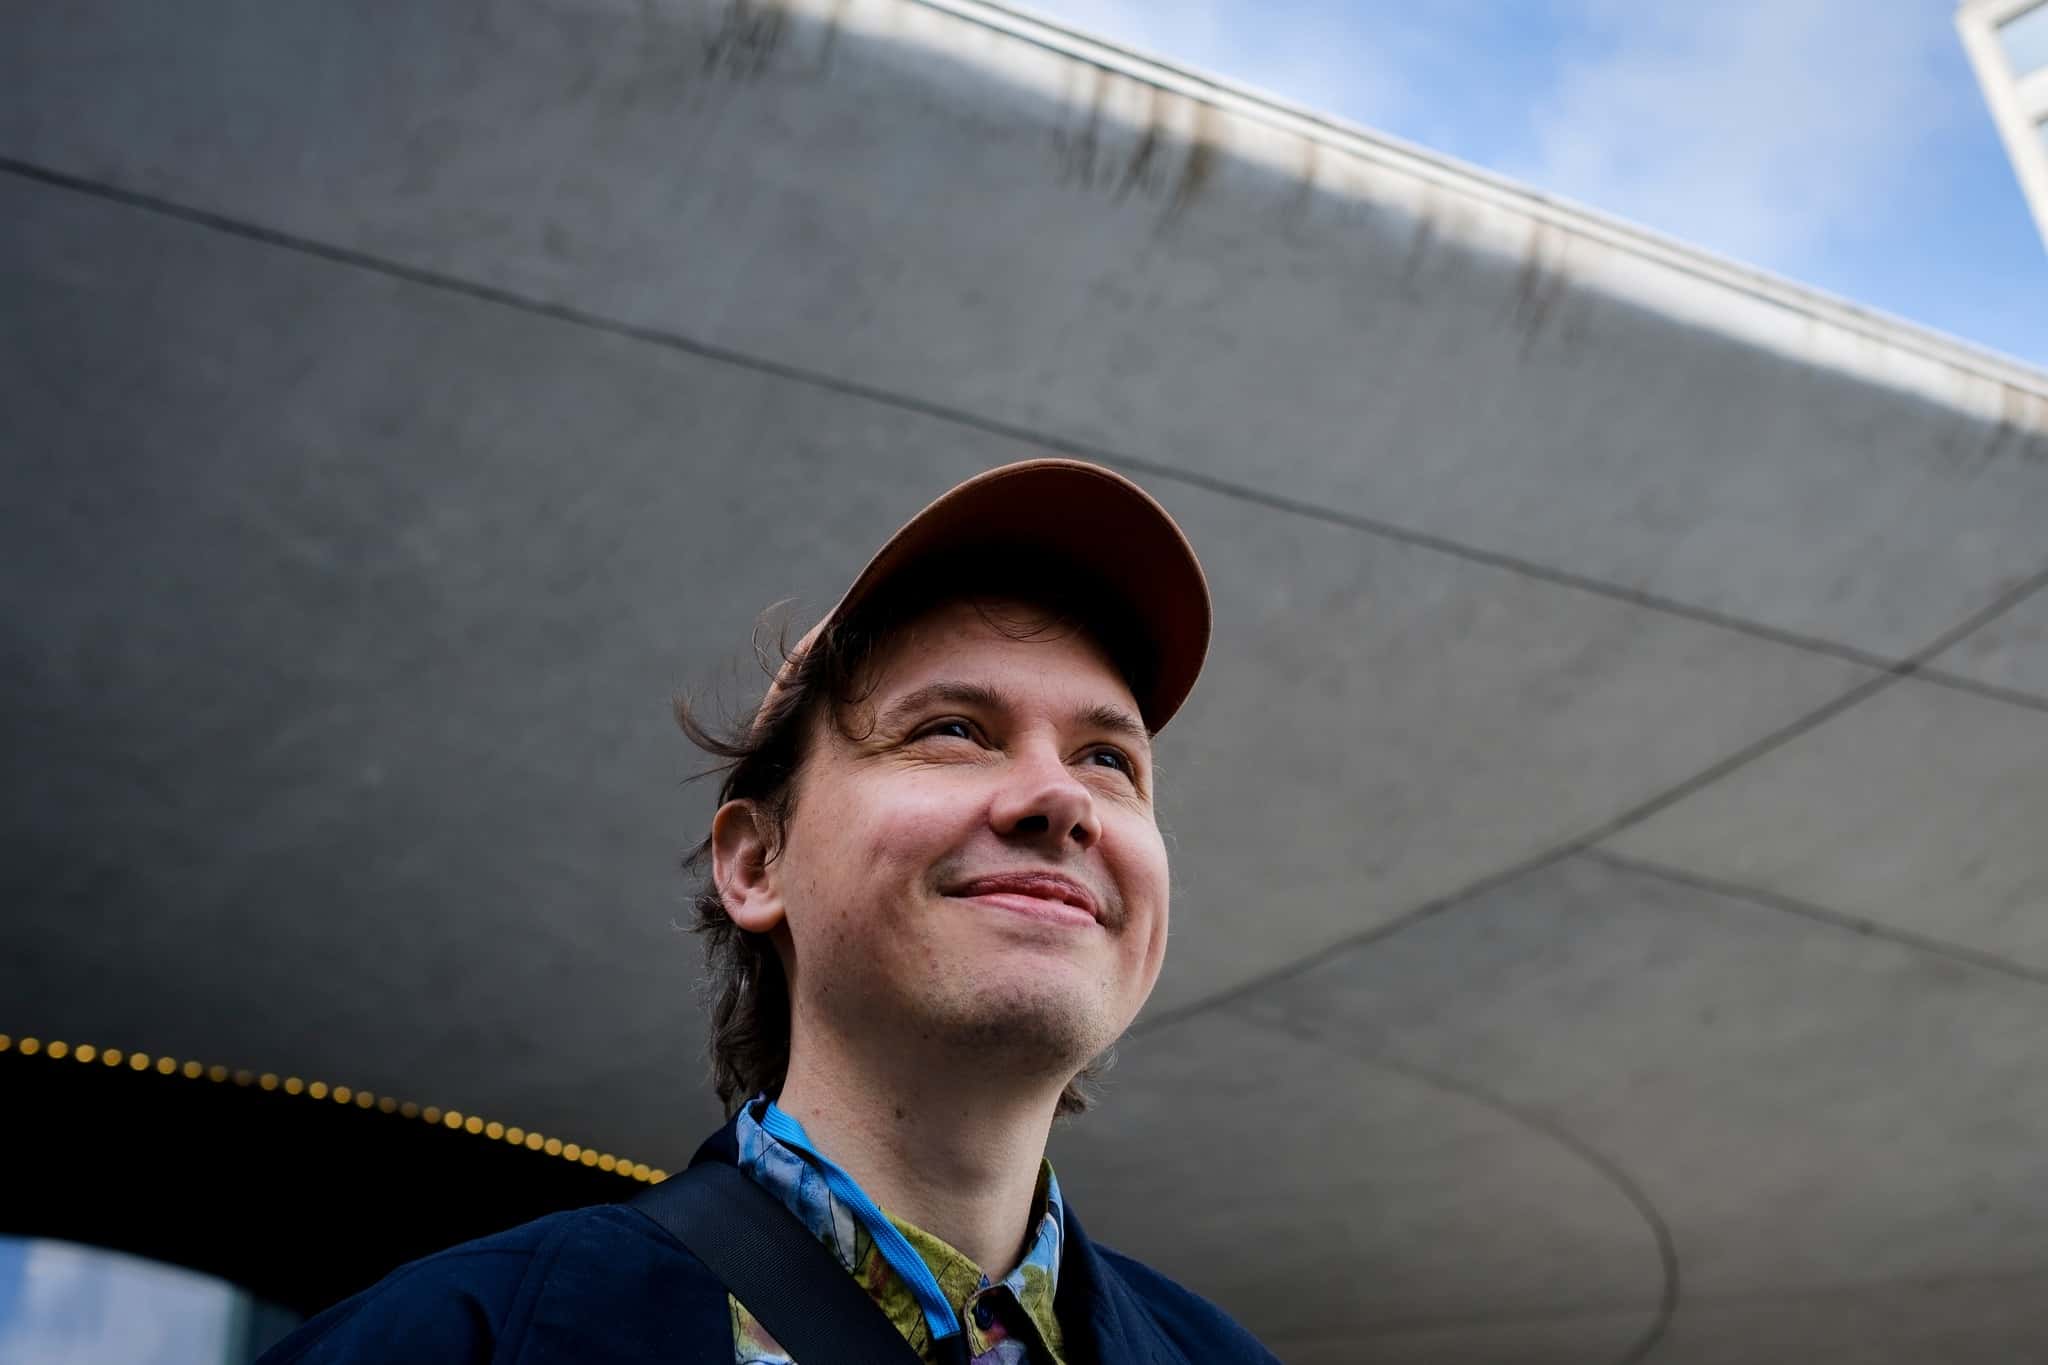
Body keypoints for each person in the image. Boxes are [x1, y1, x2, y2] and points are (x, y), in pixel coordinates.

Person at [258, 458, 1278, 1364]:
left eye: (1107, 759)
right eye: (954, 730)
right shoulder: (456, 1338)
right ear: (755, 864)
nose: (1057, 798)